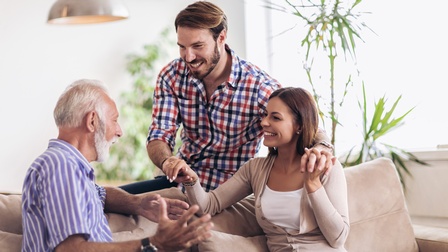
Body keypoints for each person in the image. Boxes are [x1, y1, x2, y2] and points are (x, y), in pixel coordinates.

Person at [120, 1, 334, 194]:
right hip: (181, 184)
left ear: (221, 38)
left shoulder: (257, 86)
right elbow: (159, 133)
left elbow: (304, 123)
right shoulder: (172, 75)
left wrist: (322, 149)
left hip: (231, 194)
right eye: (182, 47)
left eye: (197, 46)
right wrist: (167, 161)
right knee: (110, 201)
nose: (188, 57)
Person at [21, 79, 213, 252]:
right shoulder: (60, 166)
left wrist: (138, 205)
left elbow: (100, 195)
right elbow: (71, 249)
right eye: (114, 120)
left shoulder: (69, 167)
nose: (120, 131)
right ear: (92, 121)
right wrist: (154, 244)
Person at [167, 87, 349, 251]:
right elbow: (208, 205)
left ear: (299, 125)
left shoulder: (327, 168)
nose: (264, 122)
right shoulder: (255, 169)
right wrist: (191, 179)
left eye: (275, 117)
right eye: (265, 115)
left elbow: (338, 238)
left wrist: (313, 184)